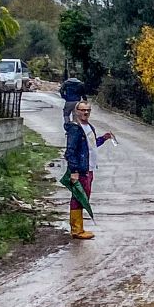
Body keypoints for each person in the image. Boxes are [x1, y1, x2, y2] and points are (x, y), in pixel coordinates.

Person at [64, 100, 113, 240]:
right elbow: (70, 151)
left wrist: (103, 139)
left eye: (88, 110)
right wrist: (74, 171)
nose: (85, 113)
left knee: (83, 197)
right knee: (79, 197)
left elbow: (91, 145)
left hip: (89, 168)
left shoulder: (88, 126)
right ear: (76, 111)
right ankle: (77, 230)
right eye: (82, 110)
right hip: (81, 169)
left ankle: (78, 228)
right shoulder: (75, 128)